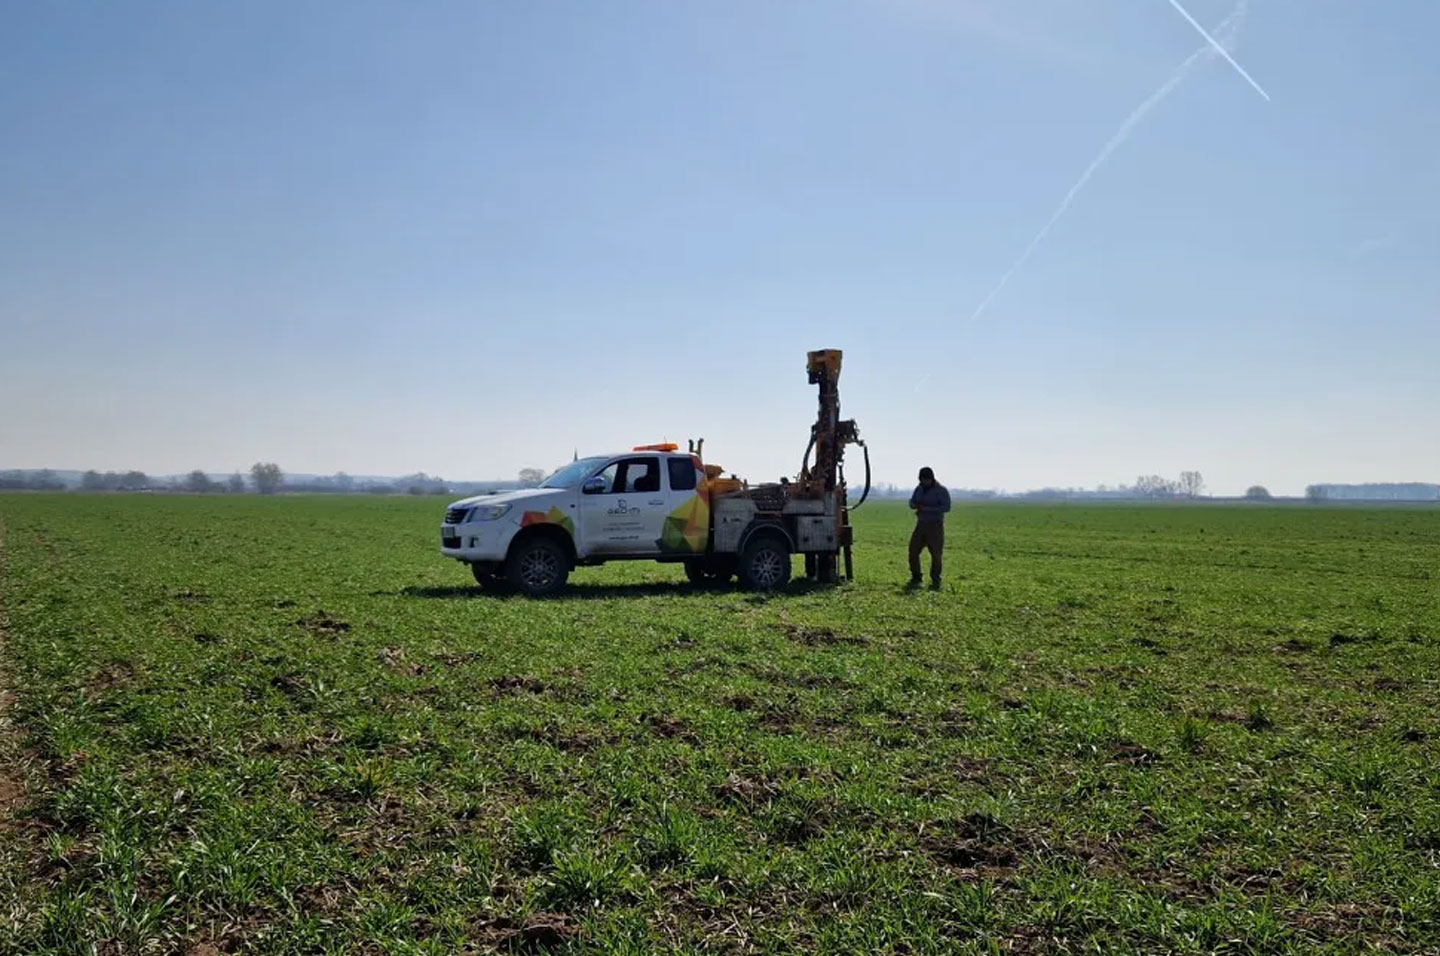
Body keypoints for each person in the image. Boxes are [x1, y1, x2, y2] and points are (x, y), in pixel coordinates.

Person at [908, 466, 951, 589]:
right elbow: (912, 501)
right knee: (913, 551)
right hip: (921, 525)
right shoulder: (919, 489)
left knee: (936, 554)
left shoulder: (941, 490)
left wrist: (928, 509)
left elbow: (947, 507)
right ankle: (916, 577)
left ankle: (936, 579)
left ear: (931, 478)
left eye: (925, 480)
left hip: (935, 526)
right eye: (921, 480)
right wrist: (913, 504)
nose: (923, 482)